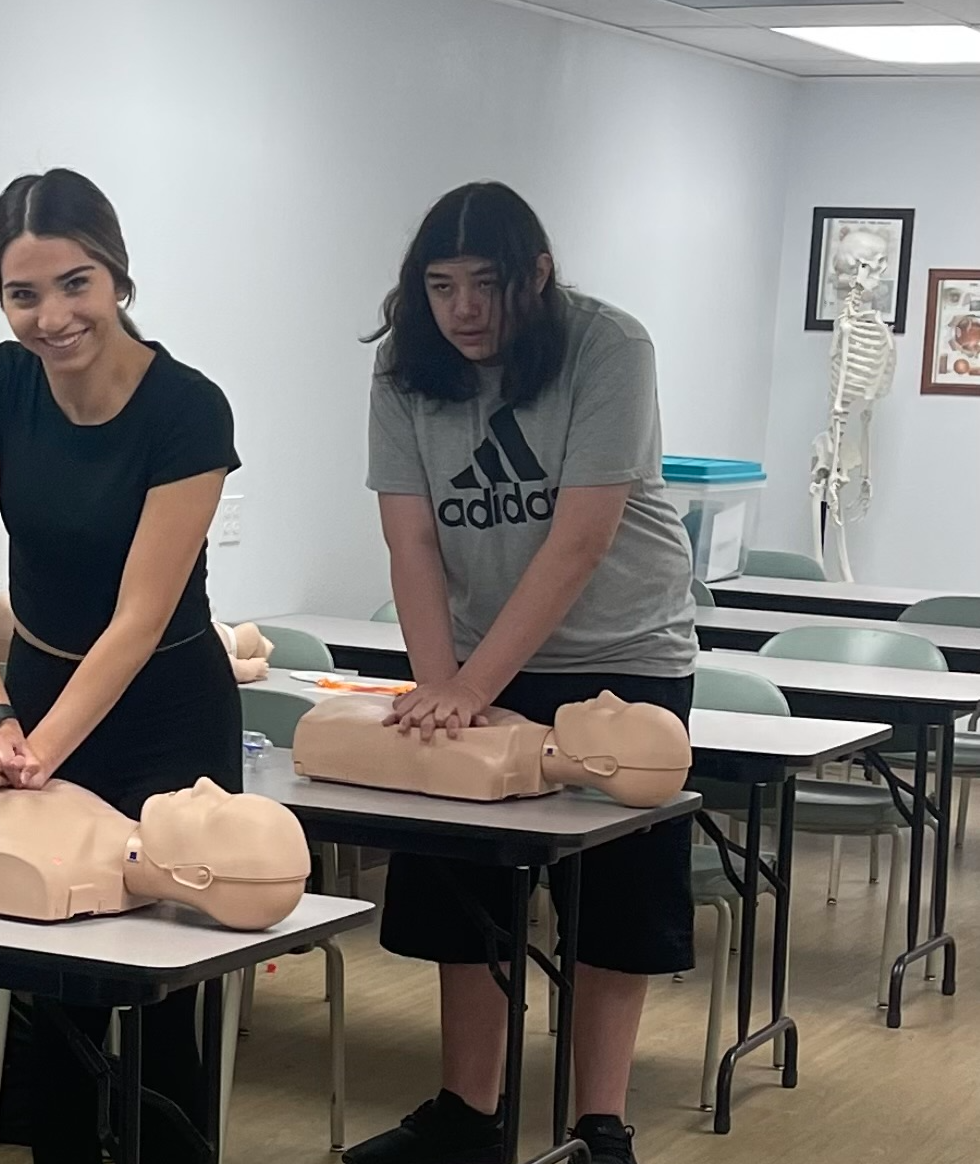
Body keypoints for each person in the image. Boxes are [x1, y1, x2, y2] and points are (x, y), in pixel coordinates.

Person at [349, 182, 698, 1164]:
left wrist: (470, 685)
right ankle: (468, 1113)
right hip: (475, 656)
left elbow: (581, 537)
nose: (461, 309)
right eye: (440, 285)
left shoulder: (607, 346)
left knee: (611, 902)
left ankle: (600, 1126)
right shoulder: (404, 367)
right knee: (467, 894)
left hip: (620, 657)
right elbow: (410, 540)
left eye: (486, 285)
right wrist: (438, 687)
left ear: (536, 278)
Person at [0, 167, 240, 1164]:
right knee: (48, 984)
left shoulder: (187, 410)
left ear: (115, 277)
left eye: (74, 284)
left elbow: (140, 618)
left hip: (166, 720)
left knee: (158, 996)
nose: (51, 316)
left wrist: (36, 753)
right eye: (23, 294)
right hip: (37, 698)